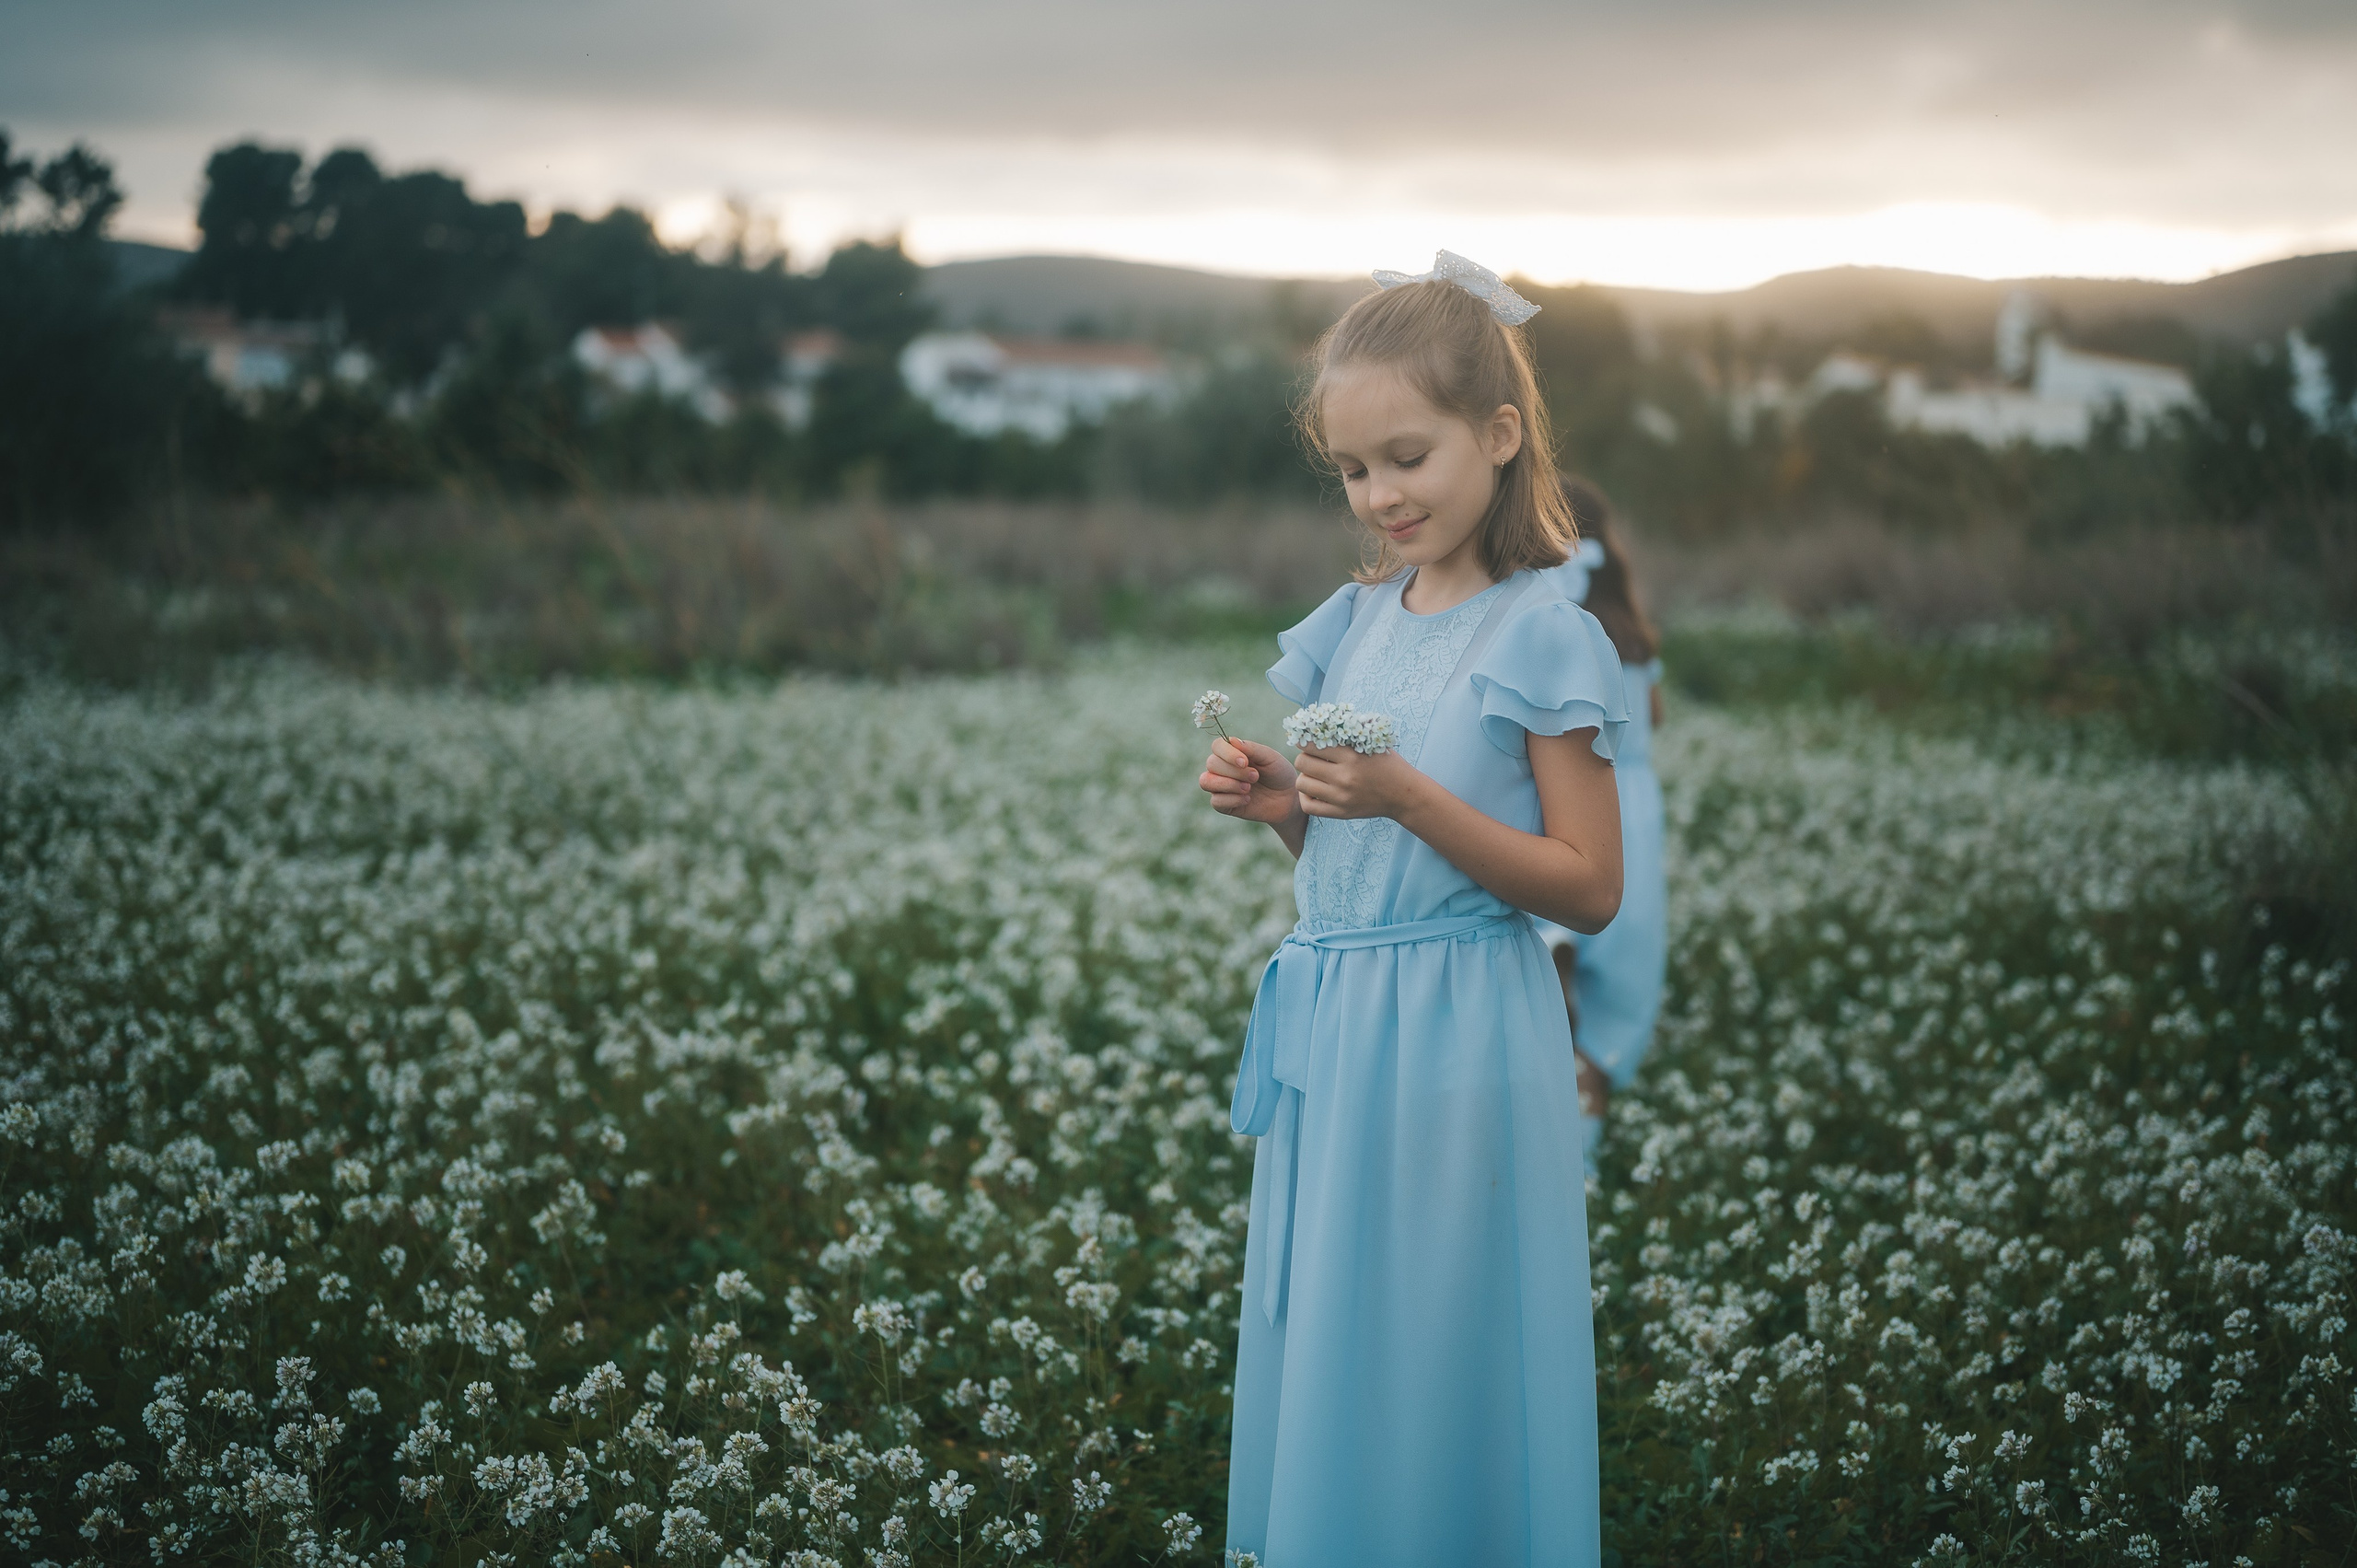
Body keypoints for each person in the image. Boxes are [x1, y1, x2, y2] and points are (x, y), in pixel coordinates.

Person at [1197, 251, 1628, 1568]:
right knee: (1341, 1329)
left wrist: (1402, 795)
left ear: (1498, 436)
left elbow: (1590, 888)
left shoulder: (1544, 633)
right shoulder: (1364, 617)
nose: (1380, 494)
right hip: (1343, 1028)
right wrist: (1291, 809)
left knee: (1435, 1338)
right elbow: (1357, 875)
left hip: (1459, 1037)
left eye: (1408, 456)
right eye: (1353, 469)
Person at [1532, 478, 1667, 1166]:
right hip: (1636, 816)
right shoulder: (1631, 630)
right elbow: (1656, 715)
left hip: (1575, 804)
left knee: (1556, 978)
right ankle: (1583, 1144)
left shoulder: (1552, 619)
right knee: (1614, 989)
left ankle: (1547, 1137)